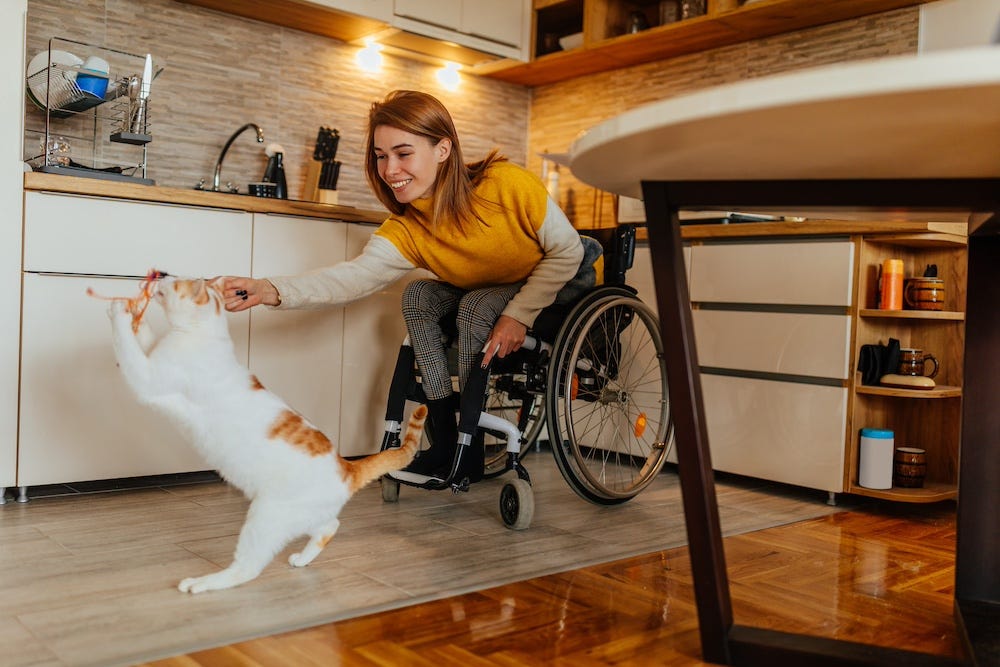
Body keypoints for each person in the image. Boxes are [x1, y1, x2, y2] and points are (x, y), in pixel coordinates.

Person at [223, 90, 599, 481]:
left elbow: (567, 252)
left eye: (403, 154)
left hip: (562, 280)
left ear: (443, 149)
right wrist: (269, 289)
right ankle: (449, 441)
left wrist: (518, 316)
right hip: (488, 293)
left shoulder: (505, 184)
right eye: (381, 156)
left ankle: (469, 443)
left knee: (476, 306)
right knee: (418, 294)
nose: (389, 170)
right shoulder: (408, 227)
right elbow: (353, 278)